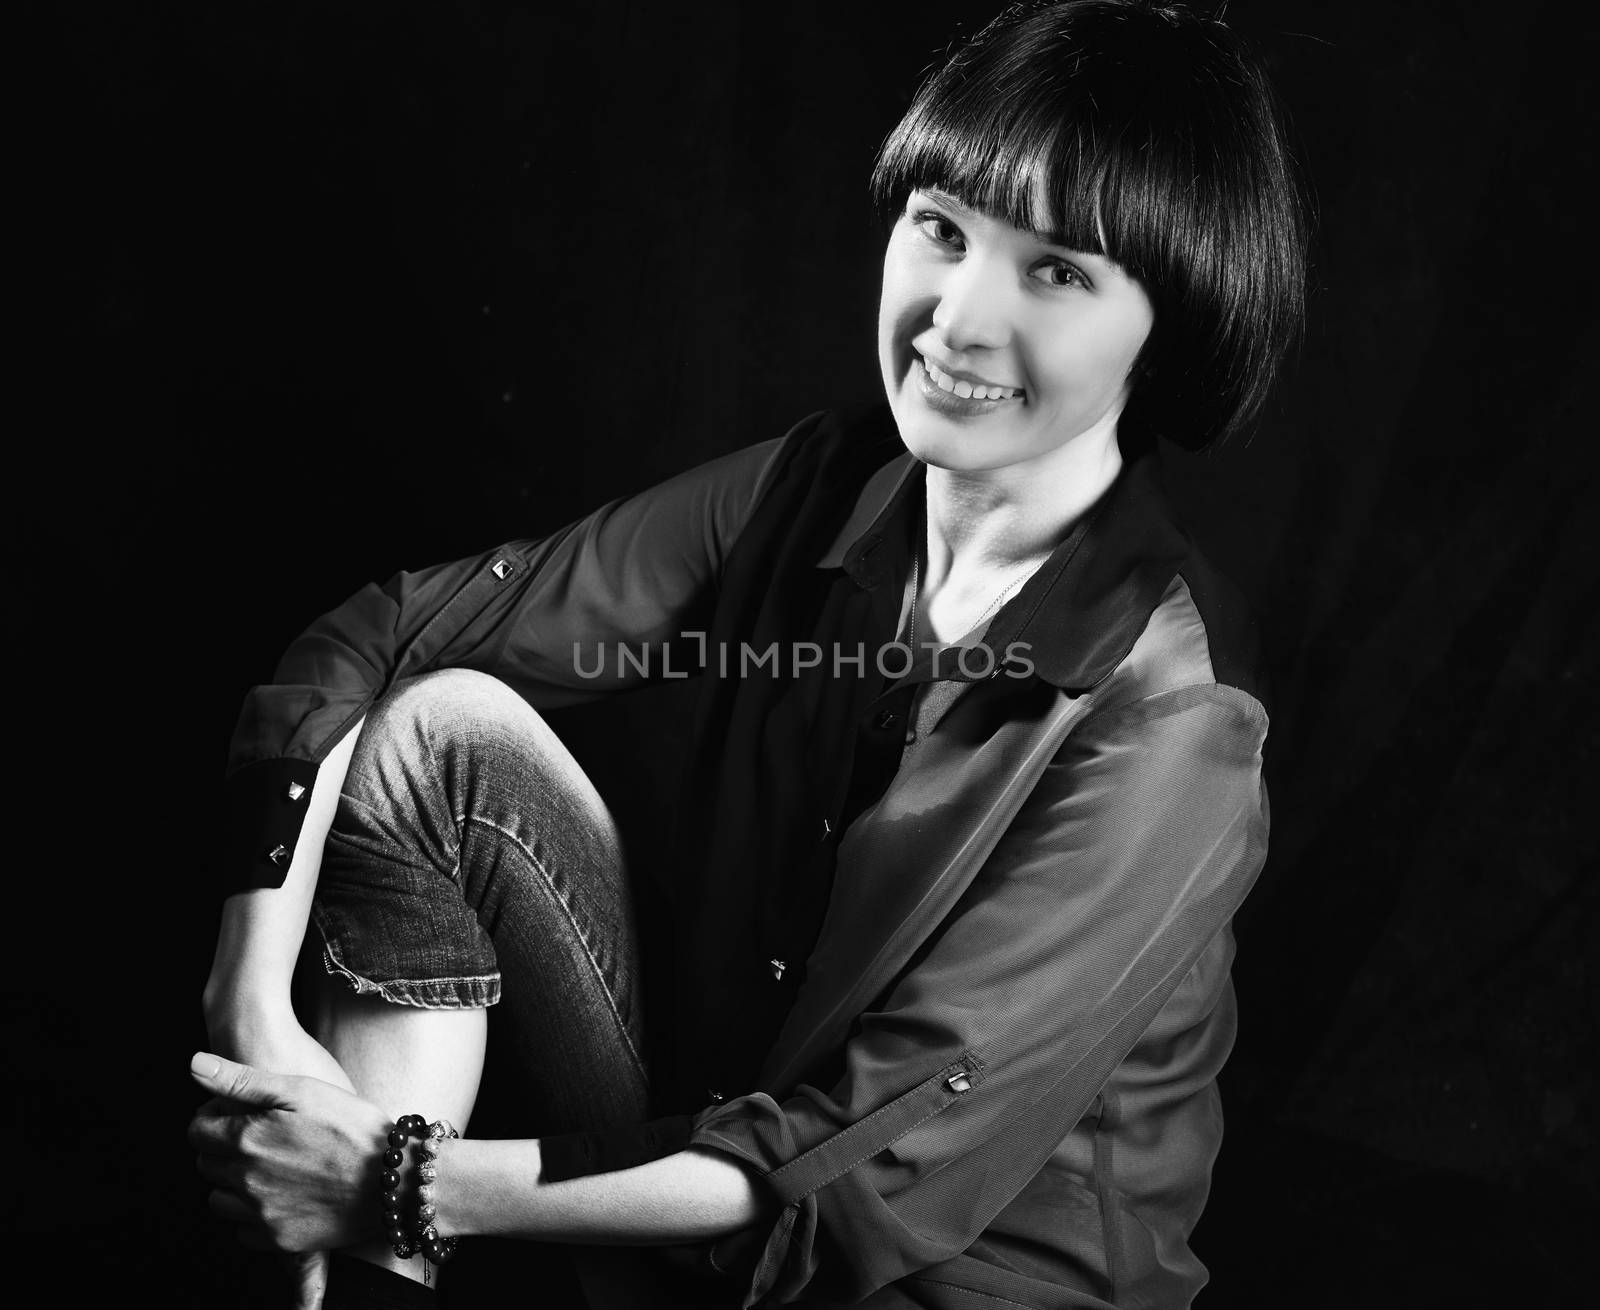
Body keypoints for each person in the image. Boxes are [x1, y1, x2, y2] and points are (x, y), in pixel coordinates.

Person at [189, 2, 1308, 1307]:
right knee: (440, 738)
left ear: (1163, 325)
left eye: (1056, 272)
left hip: (928, 1277)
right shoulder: (810, 488)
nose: (957, 318)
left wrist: (393, 1173)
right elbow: (380, 633)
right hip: (707, 1167)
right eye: (942, 228)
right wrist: (251, 1013)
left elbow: (842, 1187)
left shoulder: (1176, 718)